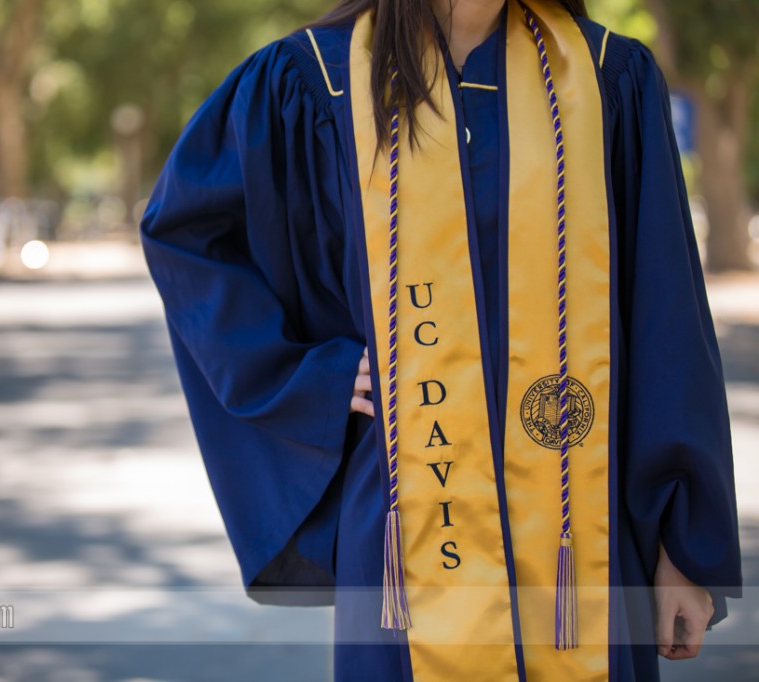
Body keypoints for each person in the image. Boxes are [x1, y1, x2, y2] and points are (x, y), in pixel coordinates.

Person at [139, 0, 743, 679]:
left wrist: (682, 546)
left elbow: (666, 321)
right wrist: (307, 379)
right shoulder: (315, 82)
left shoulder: (609, 77)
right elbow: (186, 234)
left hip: (588, 536)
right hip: (406, 521)